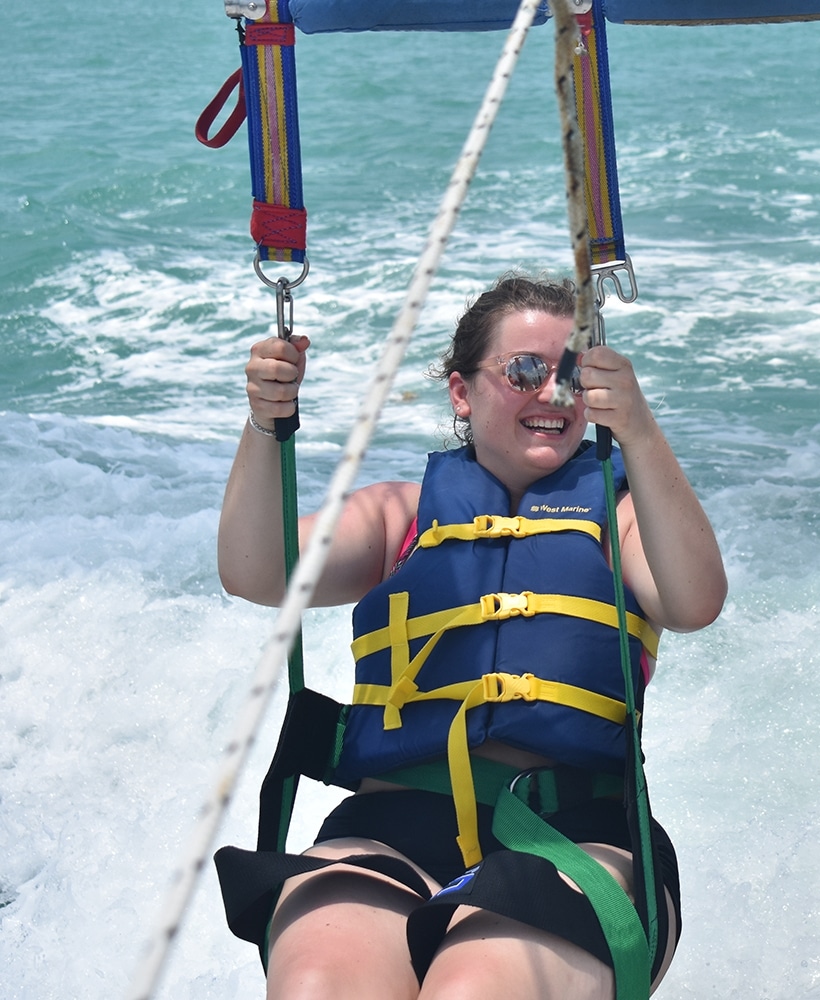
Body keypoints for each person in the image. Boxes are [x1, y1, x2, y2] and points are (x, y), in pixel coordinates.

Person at [213, 271, 727, 1000]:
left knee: (475, 989)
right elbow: (256, 570)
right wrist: (268, 424)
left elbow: (695, 600)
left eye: (573, 374)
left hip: (570, 832)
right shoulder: (399, 517)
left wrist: (639, 433)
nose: (553, 392)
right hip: (390, 827)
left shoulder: (626, 522)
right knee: (319, 984)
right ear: (462, 392)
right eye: (524, 370)